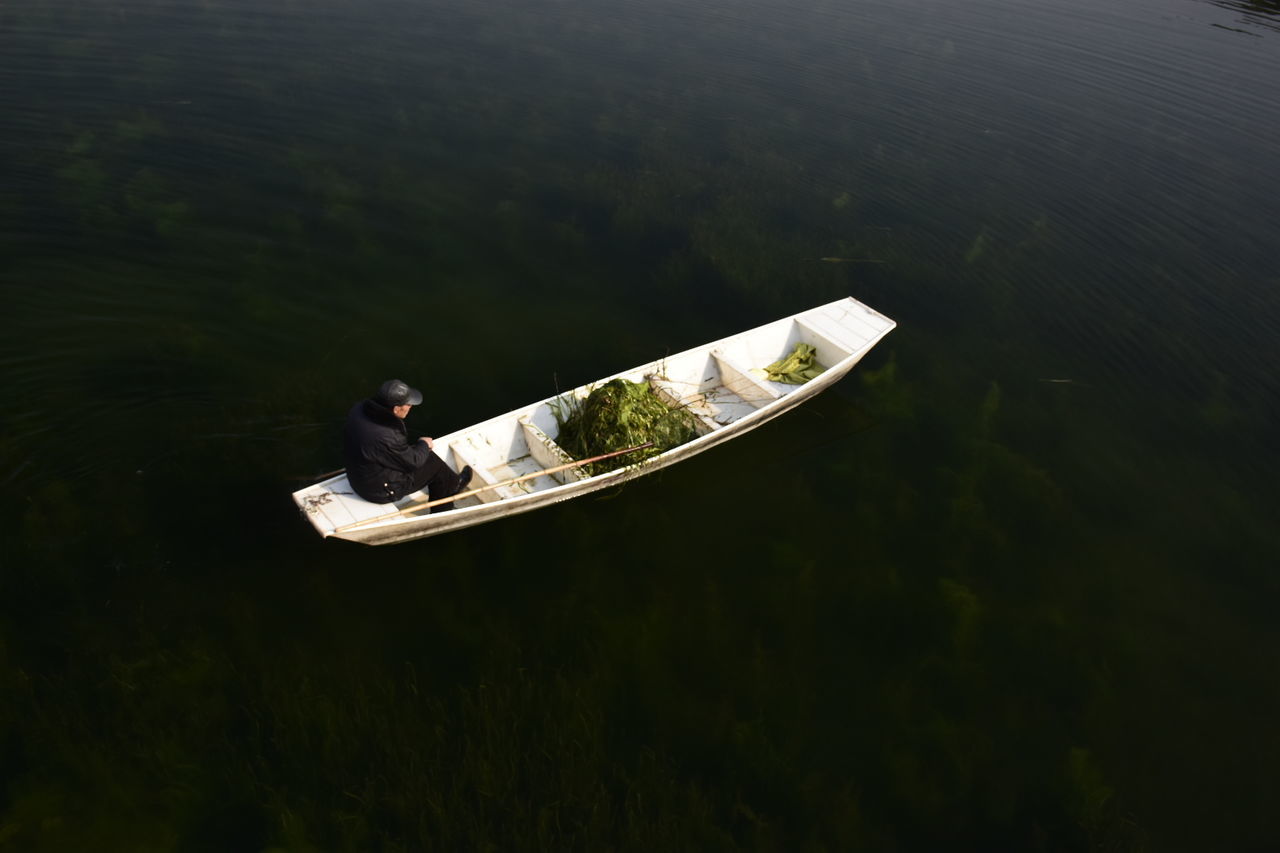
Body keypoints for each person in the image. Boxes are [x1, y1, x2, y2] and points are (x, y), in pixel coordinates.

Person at [343, 379, 473, 511]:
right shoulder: (389, 435)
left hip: (356, 478)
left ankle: (451, 484)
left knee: (416, 452)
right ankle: (443, 508)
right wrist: (423, 444)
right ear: (396, 409)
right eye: (408, 404)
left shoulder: (358, 409)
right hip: (379, 491)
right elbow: (413, 462)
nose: (411, 406)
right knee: (433, 463)